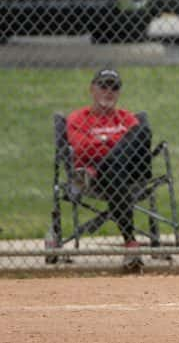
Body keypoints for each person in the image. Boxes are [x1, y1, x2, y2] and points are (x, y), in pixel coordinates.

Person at [66, 68, 152, 271]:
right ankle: (130, 242)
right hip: (99, 180)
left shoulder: (127, 118)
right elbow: (80, 148)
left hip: (122, 173)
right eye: (103, 86)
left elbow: (139, 144)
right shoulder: (78, 118)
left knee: (142, 131)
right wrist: (118, 142)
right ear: (92, 89)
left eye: (114, 87)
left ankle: (130, 244)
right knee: (116, 171)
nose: (109, 91)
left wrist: (102, 143)